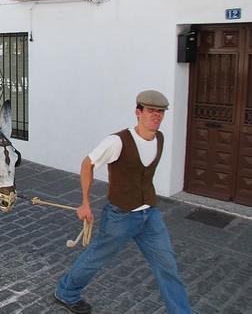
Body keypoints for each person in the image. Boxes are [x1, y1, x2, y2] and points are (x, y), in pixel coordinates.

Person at [53, 90, 192, 314]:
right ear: (138, 112)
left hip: (150, 215)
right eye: (151, 111)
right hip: (120, 216)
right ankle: (66, 292)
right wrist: (85, 203)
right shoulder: (117, 141)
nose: (156, 116)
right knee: (95, 258)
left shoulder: (160, 138)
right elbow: (87, 164)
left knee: (168, 267)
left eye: (161, 112)